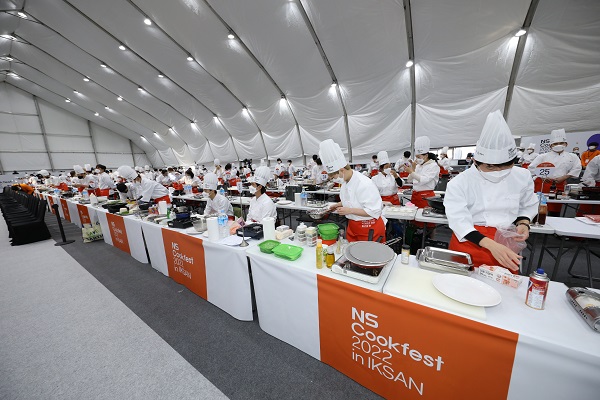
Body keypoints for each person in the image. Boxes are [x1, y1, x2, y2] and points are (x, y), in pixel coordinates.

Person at [444, 110, 538, 272]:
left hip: (506, 241)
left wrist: (523, 222)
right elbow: (459, 221)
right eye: (491, 167)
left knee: (505, 284)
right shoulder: (460, 182)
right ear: (475, 161)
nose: (498, 171)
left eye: (506, 166)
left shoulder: (522, 176)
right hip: (469, 242)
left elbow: (527, 204)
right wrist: (491, 245)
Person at [320, 139, 384, 242]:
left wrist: (349, 210)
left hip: (369, 228)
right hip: (353, 227)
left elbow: (374, 210)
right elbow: (353, 200)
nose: (335, 180)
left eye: (334, 177)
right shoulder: (346, 182)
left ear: (342, 170)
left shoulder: (364, 183)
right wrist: (337, 205)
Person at [528, 129, 581, 216]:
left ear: (566, 144)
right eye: (555, 143)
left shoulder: (572, 157)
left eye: (561, 143)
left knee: (555, 208)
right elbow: (532, 168)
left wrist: (565, 177)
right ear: (550, 145)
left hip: (560, 184)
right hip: (543, 183)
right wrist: (542, 177)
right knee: (539, 207)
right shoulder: (543, 156)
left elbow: (577, 168)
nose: (558, 145)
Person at [404, 137, 440, 209]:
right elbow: (409, 180)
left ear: (426, 156)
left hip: (426, 196)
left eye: (418, 157)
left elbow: (424, 180)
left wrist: (411, 171)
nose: (417, 159)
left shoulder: (433, 166)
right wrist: (413, 168)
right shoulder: (418, 166)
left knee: (423, 215)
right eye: (416, 157)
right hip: (415, 195)